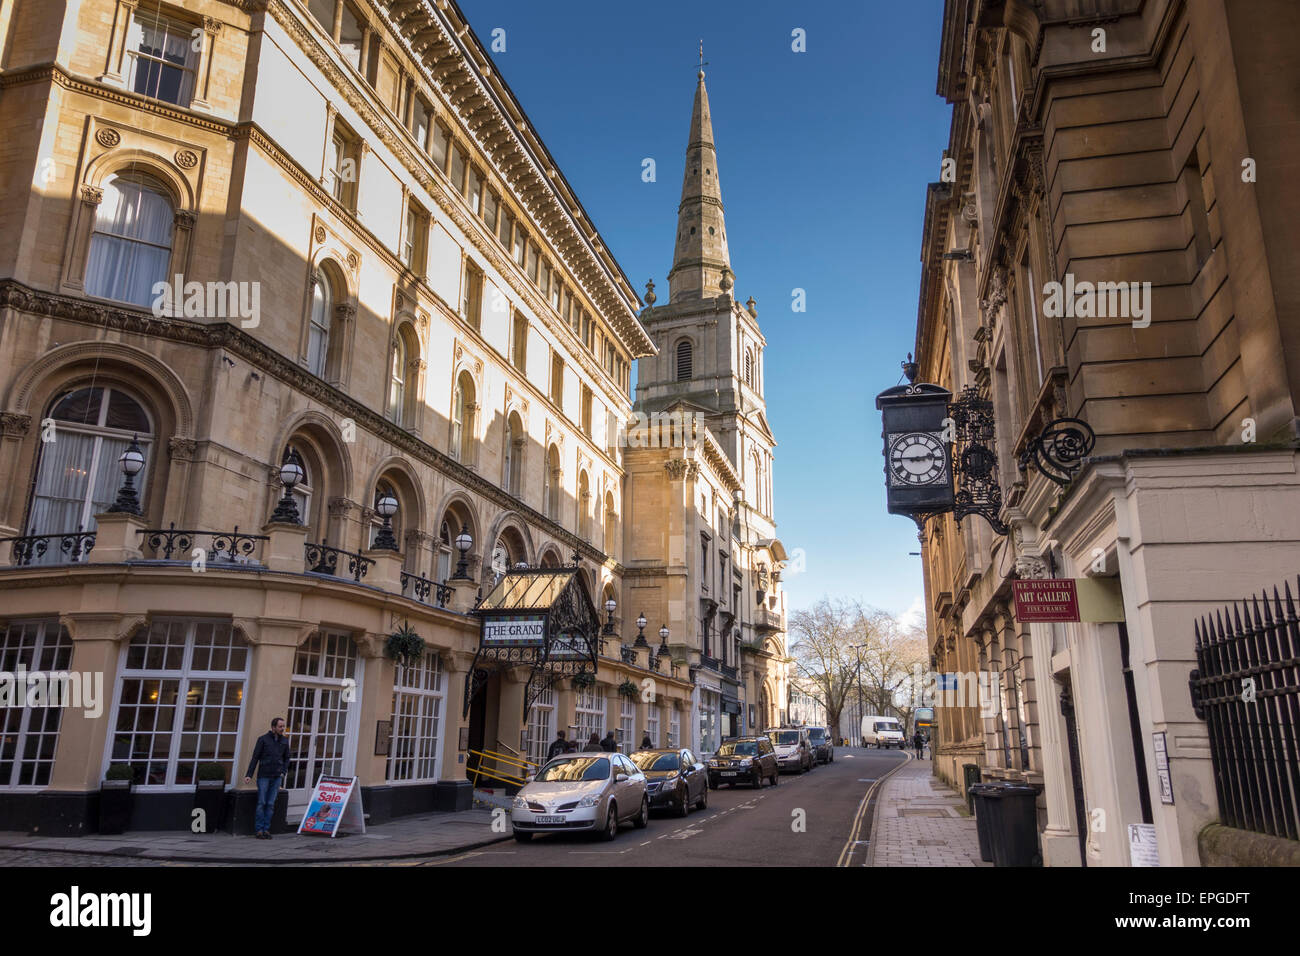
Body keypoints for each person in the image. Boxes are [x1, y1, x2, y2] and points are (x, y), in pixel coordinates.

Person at [244, 716, 291, 840]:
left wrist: (283, 771)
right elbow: (255, 757)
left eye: (283, 726)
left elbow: (287, 758)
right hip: (264, 775)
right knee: (262, 802)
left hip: (277, 776)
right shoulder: (263, 740)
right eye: (280, 726)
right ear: (273, 727)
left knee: (270, 804)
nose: (282, 729)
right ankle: (259, 830)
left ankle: (266, 829)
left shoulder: (284, 741)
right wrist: (249, 775)